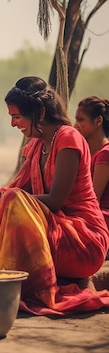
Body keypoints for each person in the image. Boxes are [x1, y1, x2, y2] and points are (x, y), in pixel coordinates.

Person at [0, 76, 109, 315]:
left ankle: (9, 282)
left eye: (16, 117)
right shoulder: (37, 146)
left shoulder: (68, 138)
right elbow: (16, 193)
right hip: (53, 233)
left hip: (82, 238)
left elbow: (55, 200)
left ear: (38, 112)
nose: (13, 124)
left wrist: (0, 197)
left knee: (10, 200)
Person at [74, 96, 109, 243]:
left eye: (81, 120)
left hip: (101, 219)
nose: (76, 125)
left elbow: (92, 200)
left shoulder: (105, 154)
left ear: (98, 121)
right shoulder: (88, 152)